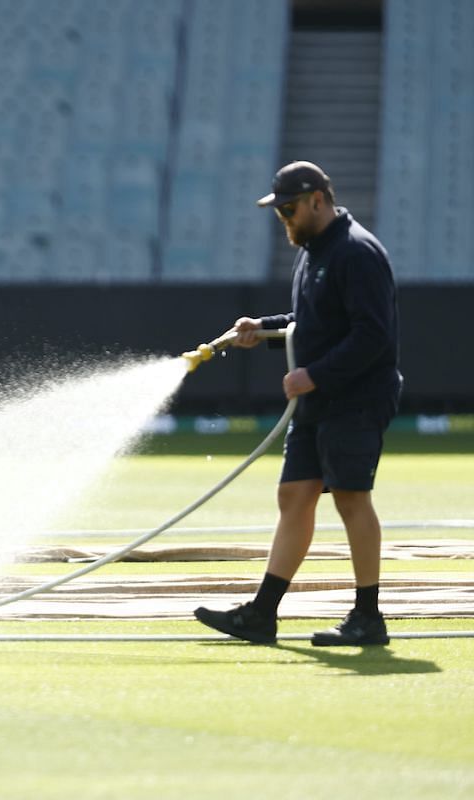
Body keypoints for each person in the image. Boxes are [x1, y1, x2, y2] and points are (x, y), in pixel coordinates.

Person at [194, 161, 401, 646]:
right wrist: (261, 329)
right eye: (278, 211)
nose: (284, 219)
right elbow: (310, 322)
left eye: (289, 209)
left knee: (351, 498)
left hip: (355, 399)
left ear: (317, 200)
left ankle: (368, 617)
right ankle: (262, 614)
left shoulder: (358, 252)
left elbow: (373, 334)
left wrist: (315, 374)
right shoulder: (313, 252)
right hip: (319, 401)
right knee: (294, 496)